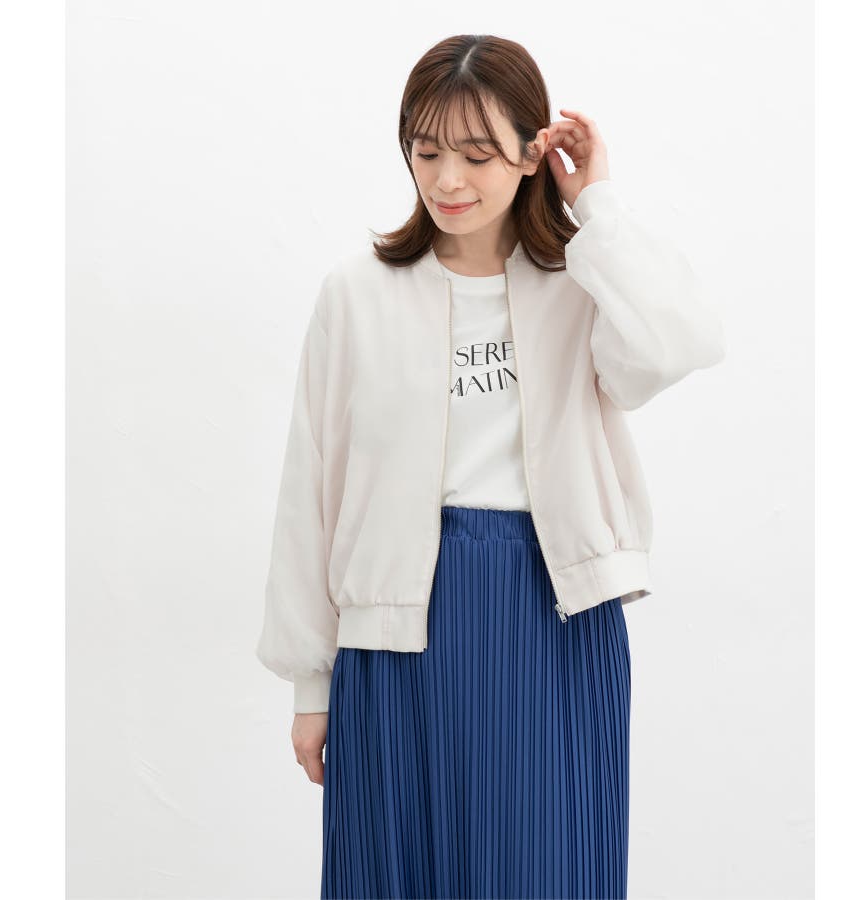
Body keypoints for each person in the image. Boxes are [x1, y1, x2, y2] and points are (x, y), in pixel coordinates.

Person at [256, 34, 725, 900]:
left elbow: (679, 343)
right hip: (395, 628)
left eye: (477, 155)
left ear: (531, 153)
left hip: (551, 613)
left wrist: (599, 207)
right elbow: (311, 488)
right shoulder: (357, 293)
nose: (447, 181)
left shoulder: (580, 283)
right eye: (426, 151)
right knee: (396, 874)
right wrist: (310, 685)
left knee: (544, 869)